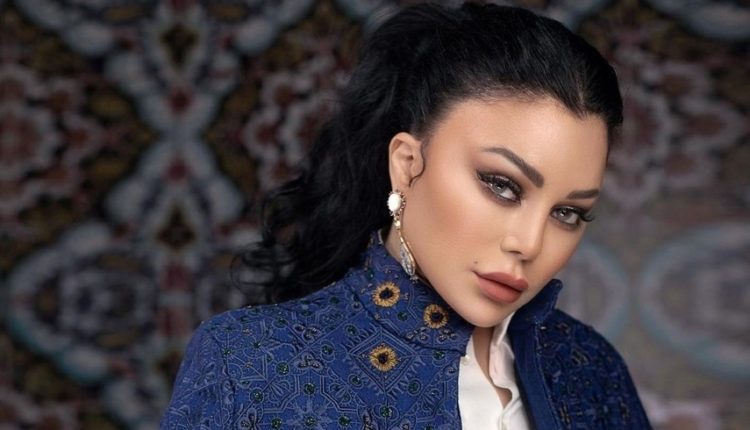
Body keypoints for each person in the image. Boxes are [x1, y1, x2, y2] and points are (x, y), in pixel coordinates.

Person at [161, 2, 651, 429]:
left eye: (568, 213)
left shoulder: (591, 372)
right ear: (407, 163)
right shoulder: (250, 361)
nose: (530, 243)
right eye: (501, 185)